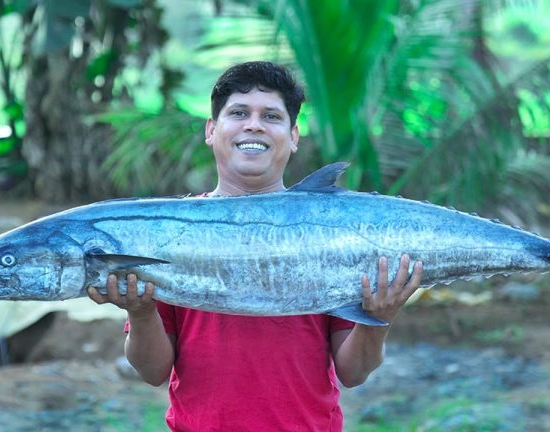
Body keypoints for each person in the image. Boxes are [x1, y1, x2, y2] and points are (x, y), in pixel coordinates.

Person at [88, 61, 424, 431]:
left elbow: (354, 371)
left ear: (294, 136)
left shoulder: (335, 234)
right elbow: (153, 371)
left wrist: (379, 318)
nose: (254, 124)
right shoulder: (168, 232)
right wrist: (140, 313)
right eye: (238, 113)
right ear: (211, 130)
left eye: (271, 116)